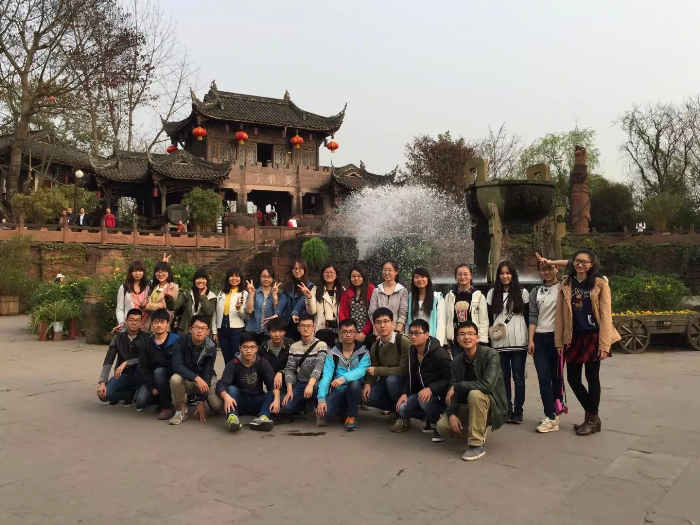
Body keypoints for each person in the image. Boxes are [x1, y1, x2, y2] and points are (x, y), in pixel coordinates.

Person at [555, 249, 620, 436]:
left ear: (591, 264)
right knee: (573, 379)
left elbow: (606, 316)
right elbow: (559, 315)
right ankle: (593, 416)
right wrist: (559, 341)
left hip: (593, 336)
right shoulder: (566, 284)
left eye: (584, 262)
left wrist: (604, 345)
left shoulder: (599, 283)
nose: (580, 265)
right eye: (577, 261)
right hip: (573, 337)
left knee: (592, 378)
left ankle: (591, 419)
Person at [434, 321, 507, 461]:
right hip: (468, 405)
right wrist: (452, 413)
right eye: (462, 334)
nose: (466, 337)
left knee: (475, 394)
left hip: (491, 404)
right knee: (442, 427)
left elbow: (487, 385)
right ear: (457, 339)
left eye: (470, 334)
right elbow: (452, 390)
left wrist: (458, 386)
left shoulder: (491, 355)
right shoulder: (456, 361)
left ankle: (476, 444)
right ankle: (477, 428)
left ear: (477, 337)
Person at [486, 260, 529, 424]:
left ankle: (518, 410)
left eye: (508, 273)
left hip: (519, 340)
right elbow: (489, 318)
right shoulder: (492, 293)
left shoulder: (522, 292)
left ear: (513, 275)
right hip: (499, 343)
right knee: (503, 378)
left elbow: (527, 317)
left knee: (518, 377)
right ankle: (507, 409)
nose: (505, 276)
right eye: (502, 273)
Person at [393, 319, 452, 436]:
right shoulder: (412, 350)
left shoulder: (439, 353)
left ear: (426, 334)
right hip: (422, 393)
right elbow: (411, 376)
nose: (413, 336)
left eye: (417, 333)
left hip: (441, 395)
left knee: (424, 401)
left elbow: (450, 378)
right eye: (411, 333)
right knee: (402, 408)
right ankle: (430, 418)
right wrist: (404, 393)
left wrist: (431, 389)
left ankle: (436, 424)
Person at [216, 332, 280, 432]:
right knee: (231, 389)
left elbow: (272, 385)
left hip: (256, 401)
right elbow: (221, 384)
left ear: (256, 348)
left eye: (252, 347)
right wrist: (226, 396)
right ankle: (233, 418)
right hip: (238, 402)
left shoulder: (262, 362)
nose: (249, 351)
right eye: (245, 347)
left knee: (273, 393)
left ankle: (263, 418)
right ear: (240, 348)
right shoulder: (233, 364)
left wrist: (276, 398)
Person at [316, 319, 370, 431]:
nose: (348, 334)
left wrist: (343, 378)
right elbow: (327, 375)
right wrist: (321, 399)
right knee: (324, 413)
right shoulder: (333, 353)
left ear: (356, 333)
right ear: (340, 334)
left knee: (354, 383)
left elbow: (361, 370)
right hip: (339, 390)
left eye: (351, 331)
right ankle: (344, 411)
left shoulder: (363, 352)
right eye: (344, 332)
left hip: (356, 390)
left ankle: (352, 416)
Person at [528, 260, 563, 433]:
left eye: (550, 268)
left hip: (557, 339)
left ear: (556, 269)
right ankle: (550, 415)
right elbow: (533, 316)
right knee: (543, 377)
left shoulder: (564, 287)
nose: (547, 272)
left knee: (556, 377)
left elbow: (574, 264)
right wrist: (531, 340)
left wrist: (551, 261)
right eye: (543, 269)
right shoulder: (536, 291)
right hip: (540, 338)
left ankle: (555, 413)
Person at [168, 314, 222, 425]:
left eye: (203, 328)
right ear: (190, 329)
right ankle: (182, 410)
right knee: (175, 379)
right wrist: (196, 378)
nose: (199, 331)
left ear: (208, 331)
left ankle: (200, 398)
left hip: (205, 379)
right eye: (196, 327)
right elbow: (177, 366)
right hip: (188, 378)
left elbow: (208, 372)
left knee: (216, 407)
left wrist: (201, 401)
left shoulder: (211, 346)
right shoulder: (180, 342)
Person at [362, 307, 409, 423]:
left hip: (404, 382)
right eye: (378, 322)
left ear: (392, 323)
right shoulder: (375, 346)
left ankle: (403, 416)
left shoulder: (403, 341)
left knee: (392, 380)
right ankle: (394, 408)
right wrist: (367, 383)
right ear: (374, 325)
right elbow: (374, 367)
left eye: (386, 321)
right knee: (367, 397)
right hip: (387, 381)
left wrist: (378, 371)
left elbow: (403, 370)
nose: (382, 325)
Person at [96, 308, 149, 406]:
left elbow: (146, 359)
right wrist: (102, 382)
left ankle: (138, 393)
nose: (134, 323)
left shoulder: (147, 338)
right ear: (126, 321)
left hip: (140, 375)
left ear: (141, 322)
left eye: (137, 320)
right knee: (104, 395)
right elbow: (109, 360)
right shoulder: (118, 338)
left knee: (142, 401)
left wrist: (127, 363)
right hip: (123, 375)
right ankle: (130, 394)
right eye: (131, 320)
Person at [281, 314, 328, 416]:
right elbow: (289, 369)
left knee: (315, 387)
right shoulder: (294, 347)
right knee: (286, 408)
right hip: (301, 383)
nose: (306, 328)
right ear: (298, 328)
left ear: (313, 327)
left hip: (316, 383)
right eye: (303, 326)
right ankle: (304, 404)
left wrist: (310, 385)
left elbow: (319, 366)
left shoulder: (321, 345)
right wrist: (289, 390)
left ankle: (314, 404)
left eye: (309, 326)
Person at [136, 308, 179, 419]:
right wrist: (152, 386)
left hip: (174, 374)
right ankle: (160, 400)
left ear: (167, 324)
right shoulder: (147, 344)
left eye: (162, 322)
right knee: (141, 401)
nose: (159, 325)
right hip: (155, 379)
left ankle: (167, 407)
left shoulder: (177, 340)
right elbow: (144, 368)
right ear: (152, 324)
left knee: (159, 371)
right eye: (156, 322)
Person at [445, 263, 489, 354]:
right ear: (456, 277)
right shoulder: (449, 296)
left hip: (473, 340)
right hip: (456, 340)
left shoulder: (479, 296)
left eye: (465, 274)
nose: (462, 277)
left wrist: (482, 340)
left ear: (471, 276)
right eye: (459, 274)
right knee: (458, 362)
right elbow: (446, 318)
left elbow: (483, 320)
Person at [165, 268, 217, 339]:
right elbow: (174, 307)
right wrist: (169, 298)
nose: (200, 281)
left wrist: (203, 296)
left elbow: (209, 312)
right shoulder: (187, 294)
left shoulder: (212, 297)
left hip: (202, 334)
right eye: (198, 278)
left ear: (207, 281)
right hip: (186, 332)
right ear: (194, 280)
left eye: (203, 278)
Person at [300, 263, 342, 348]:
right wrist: (309, 297)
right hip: (321, 329)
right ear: (322, 274)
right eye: (326, 272)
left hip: (337, 330)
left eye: (332, 272)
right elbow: (311, 311)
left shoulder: (342, 291)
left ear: (336, 275)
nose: (329, 274)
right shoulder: (316, 290)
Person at [215, 267, 248, 364]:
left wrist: (239, 309)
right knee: (226, 357)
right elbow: (216, 313)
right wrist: (214, 331)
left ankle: (237, 374)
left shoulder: (244, 293)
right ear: (227, 278)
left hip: (236, 330)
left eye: (237, 276)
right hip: (223, 329)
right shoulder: (222, 293)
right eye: (231, 276)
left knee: (237, 357)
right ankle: (228, 374)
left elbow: (246, 316)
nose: (234, 278)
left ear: (240, 278)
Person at [245, 266, 287, 345]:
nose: (266, 279)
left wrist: (274, 296)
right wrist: (251, 294)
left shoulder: (278, 293)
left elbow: (277, 313)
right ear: (260, 278)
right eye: (263, 276)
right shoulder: (254, 292)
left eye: (269, 277)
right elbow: (249, 311)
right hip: (253, 330)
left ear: (272, 279)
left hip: (270, 331)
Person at [406, 267, 447, 346]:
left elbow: (441, 323)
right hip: (415, 340)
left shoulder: (437, 298)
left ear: (428, 279)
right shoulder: (410, 298)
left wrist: (438, 344)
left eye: (423, 277)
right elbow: (408, 321)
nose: (420, 279)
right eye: (417, 277)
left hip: (431, 340)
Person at [339, 265, 376, 349]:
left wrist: (364, 332)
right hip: (351, 332)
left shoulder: (371, 289)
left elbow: (373, 313)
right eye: (353, 276)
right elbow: (341, 312)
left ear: (364, 277)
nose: (356, 279)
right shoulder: (346, 292)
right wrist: (349, 330)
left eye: (359, 276)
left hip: (369, 332)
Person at [368, 260, 409, 333]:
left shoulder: (402, 291)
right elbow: (372, 313)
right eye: (384, 270)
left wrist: (397, 333)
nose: (387, 272)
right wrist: (377, 333)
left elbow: (403, 314)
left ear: (396, 272)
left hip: (397, 332)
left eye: (390, 270)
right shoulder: (376, 291)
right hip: (379, 332)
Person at [259, 316, 294, 392]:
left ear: (284, 332)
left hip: (290, 378)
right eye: (274, 331)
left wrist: (281, 372)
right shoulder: (263, 348)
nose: (277, 334)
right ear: (269, 332)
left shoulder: (291, 344)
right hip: (272, 381)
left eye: (280, 331)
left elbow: (296, 365)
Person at [282, 259, 313, 342]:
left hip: (302, 320)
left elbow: (302, 301)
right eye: (295, 268)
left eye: (300, 268)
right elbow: (283, 300)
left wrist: (295, 313)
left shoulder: (309, 286)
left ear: (304, 270)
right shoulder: (287, 285)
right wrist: (277, 313)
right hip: (288, 321)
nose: (297, 271)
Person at [114, 261, 149, 332]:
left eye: (140, 271)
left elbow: (160, 278)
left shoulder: (148, 287)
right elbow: (120, 308)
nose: (137, 273)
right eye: (134, 271)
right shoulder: (124, 288)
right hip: (128, 327)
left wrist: (163, 264)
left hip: (145, 328)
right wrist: (121, 322)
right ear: (130, 272)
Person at [144, 260, 179, 324]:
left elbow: (165, 305)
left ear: (168, 272)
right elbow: (145, 304)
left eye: (163, 271)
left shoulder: (173, 287)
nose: (160, 274)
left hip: (163, 322)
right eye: (158, 271)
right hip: (151, 322)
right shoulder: (153, 286)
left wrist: (148, 306)